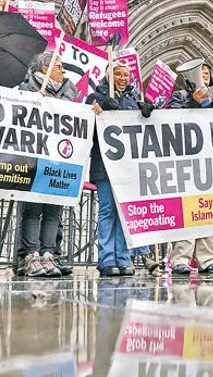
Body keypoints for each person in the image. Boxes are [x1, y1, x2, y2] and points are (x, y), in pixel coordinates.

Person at [86, 61, 155, 277]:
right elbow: (85, 125)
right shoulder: (95, 97)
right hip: (104, 165)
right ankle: (107, 260)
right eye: (118, 74)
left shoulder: (135, 100)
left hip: (128, 168)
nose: (123, 78)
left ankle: (124, 259)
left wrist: (149, 110)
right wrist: (101, 107)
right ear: (109, 76)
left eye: (126, 75)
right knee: (107, 210)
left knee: (125, 213)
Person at [15, 53, 79, 277]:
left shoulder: (70, 93)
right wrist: (31, 100)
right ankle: (30, 255)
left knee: (53, 211)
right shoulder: (24, 88)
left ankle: (48, 254)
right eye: (58, 67)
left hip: (60, 160)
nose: (63, 72)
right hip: (33, 157)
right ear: (44, 69)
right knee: (33, 209)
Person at [166, 62, 213, 276]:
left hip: (210, 163)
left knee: (209, 209)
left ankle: (207, 260)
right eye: (201, 72)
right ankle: (181, 259)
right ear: (191, 77)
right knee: (187, 211)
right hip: (186, 162)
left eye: (208, 72)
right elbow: (171, 118)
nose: (206, 75)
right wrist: (194, 101)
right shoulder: (180, 96)